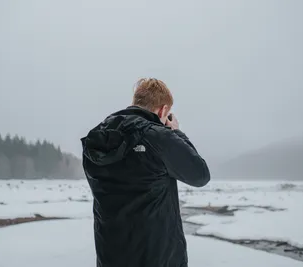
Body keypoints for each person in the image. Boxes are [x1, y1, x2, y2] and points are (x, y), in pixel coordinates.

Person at [81, 78, 210, 267]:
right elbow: (200, 175)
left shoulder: (97, 141)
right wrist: (176, 133)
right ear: (163, 110)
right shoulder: (158, 137)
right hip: (156, 259)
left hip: (110, 257)